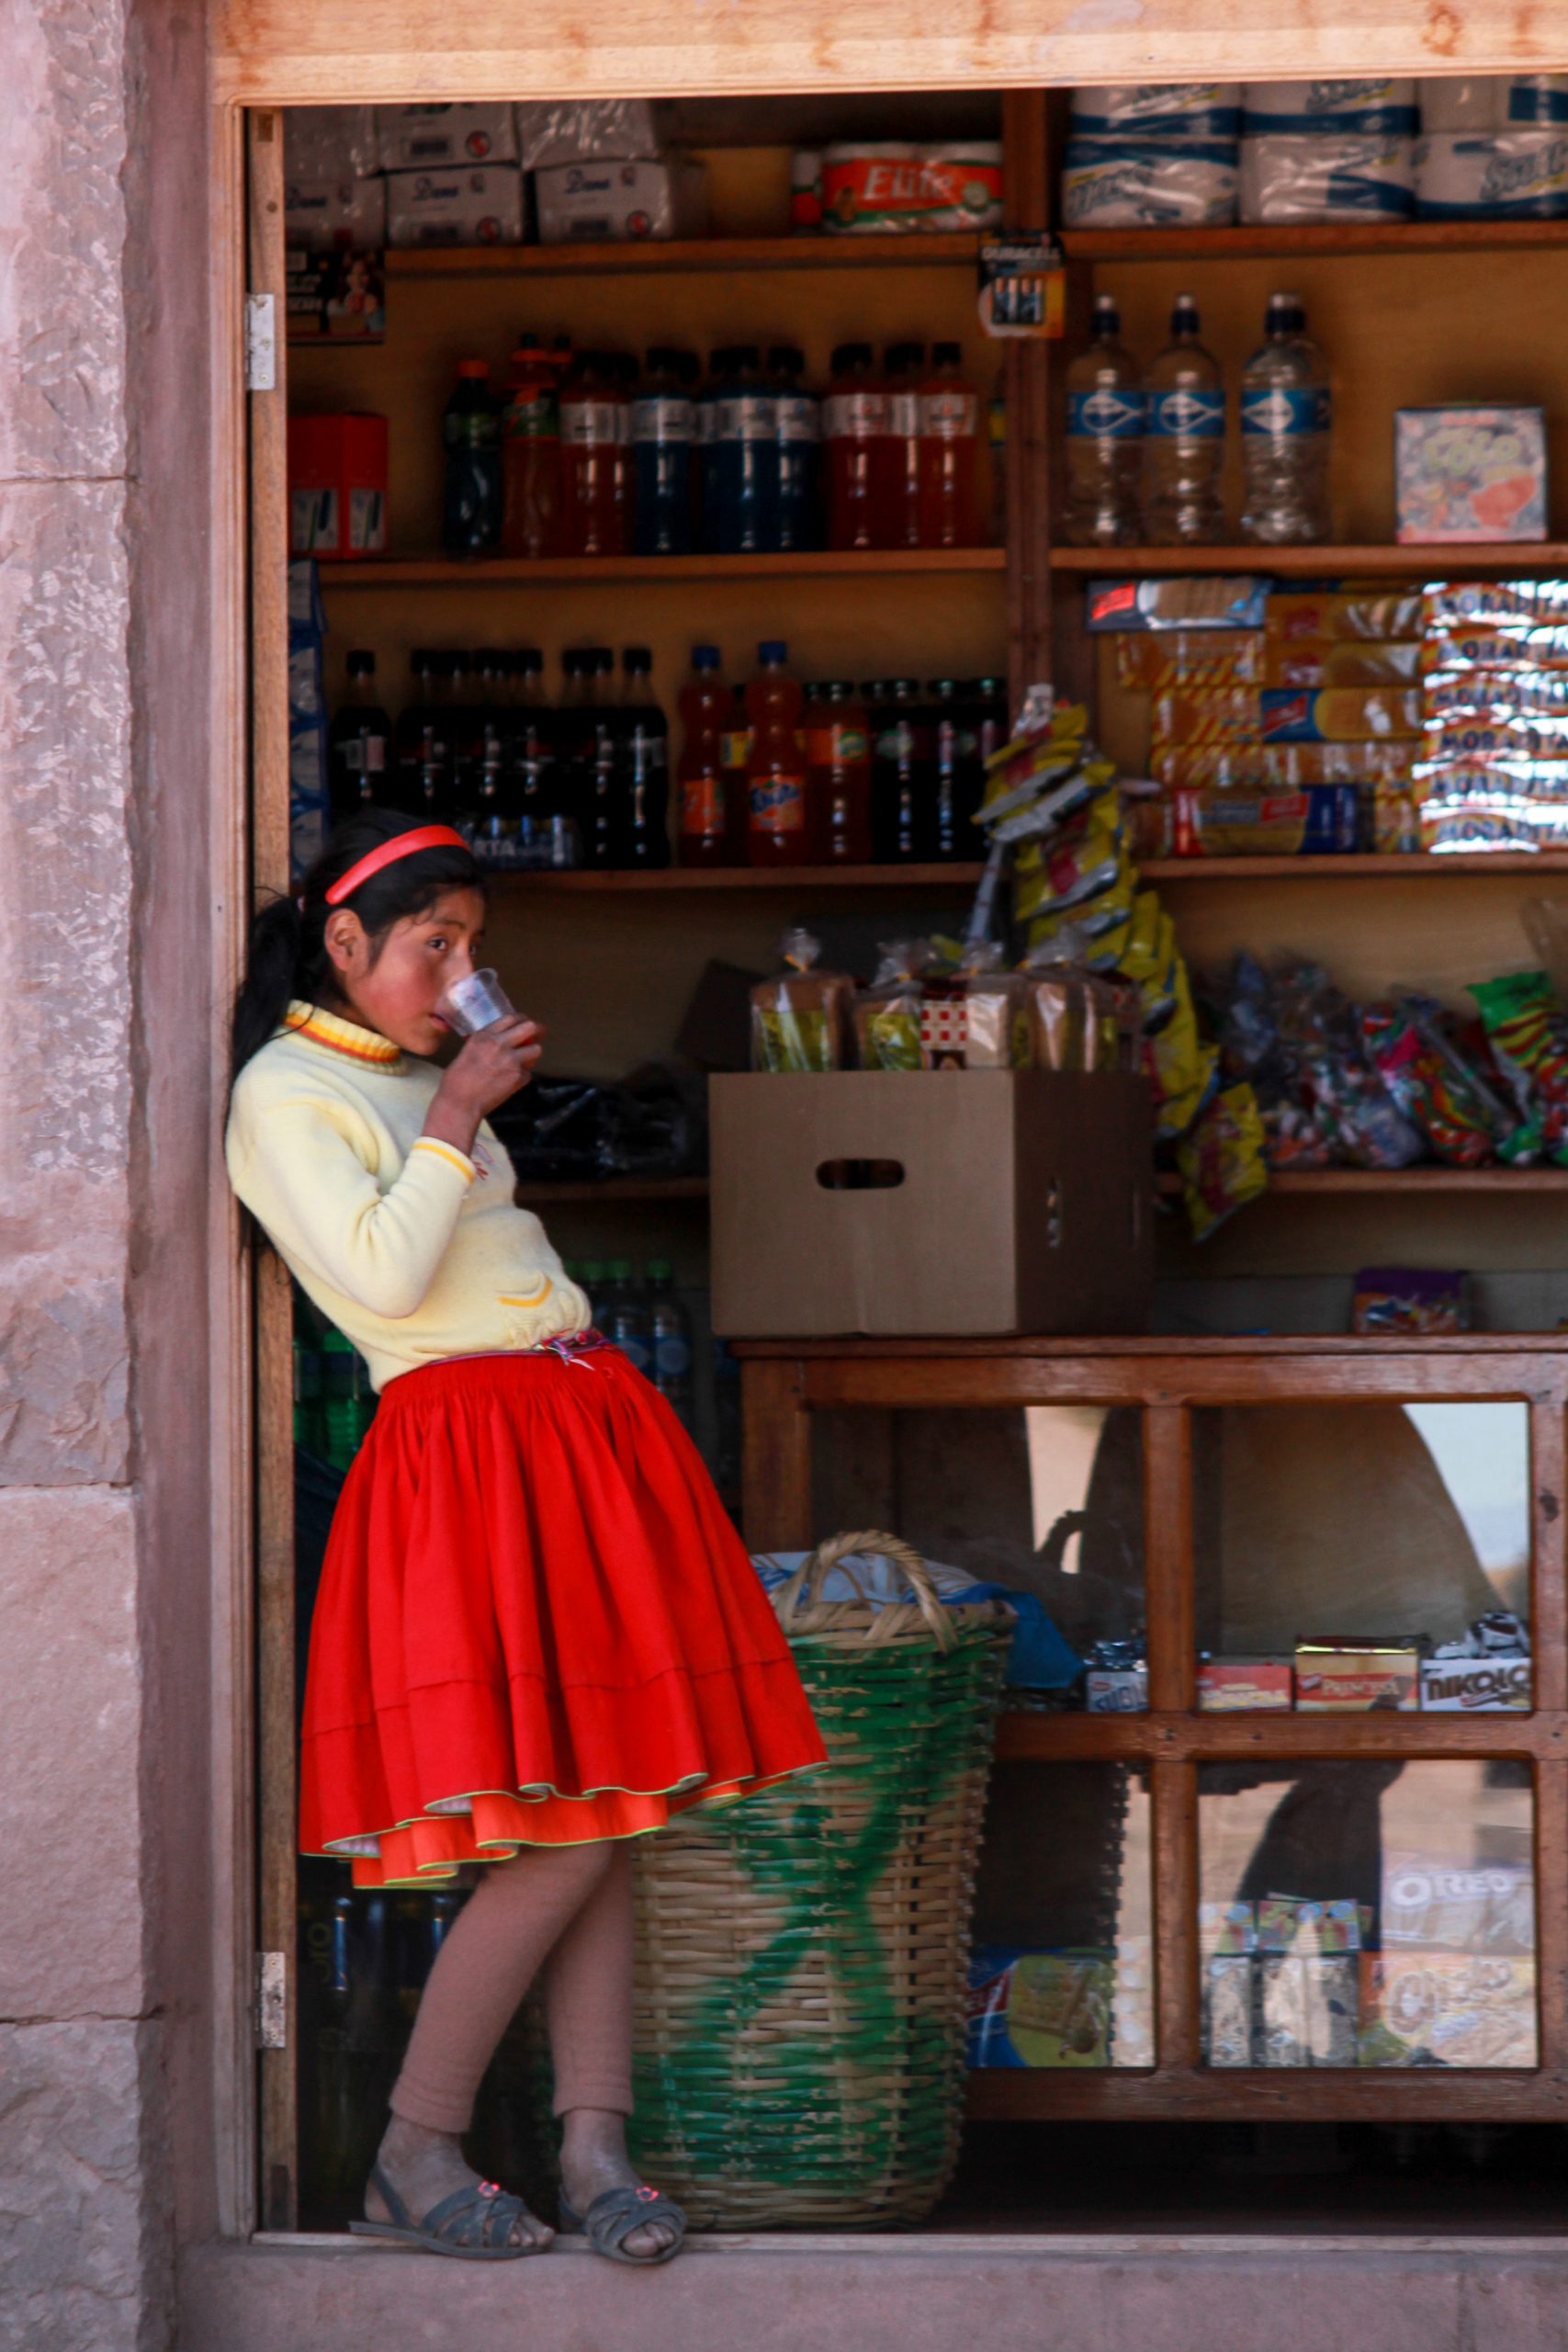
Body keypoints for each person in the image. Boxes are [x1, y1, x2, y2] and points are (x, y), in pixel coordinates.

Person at [227, 808, 827, 2264]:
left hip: (571, 1437)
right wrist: (454, 1117)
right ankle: (415, 2148)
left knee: (611, 1807)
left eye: (472, 948)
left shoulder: (408, 1073)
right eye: (433, 946)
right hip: (469, 1459)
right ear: (345, 942)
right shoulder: (285, 1094)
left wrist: (449, 1102)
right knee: (561, 1830)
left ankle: (594, 2151)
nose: (458, 976)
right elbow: (380, 1277)